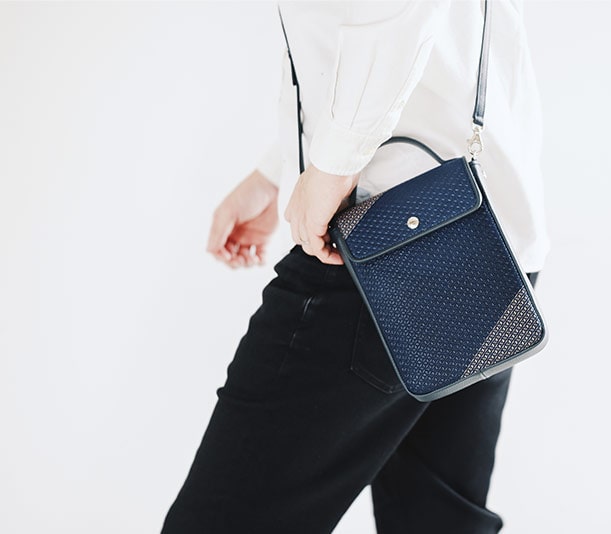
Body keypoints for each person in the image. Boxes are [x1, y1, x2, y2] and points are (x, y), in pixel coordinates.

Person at [161, 0, 549, 532]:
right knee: (437, 521)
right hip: (489, 238)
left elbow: (392, 14)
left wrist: (330, 170)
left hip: (378, 249)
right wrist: (278, 172)